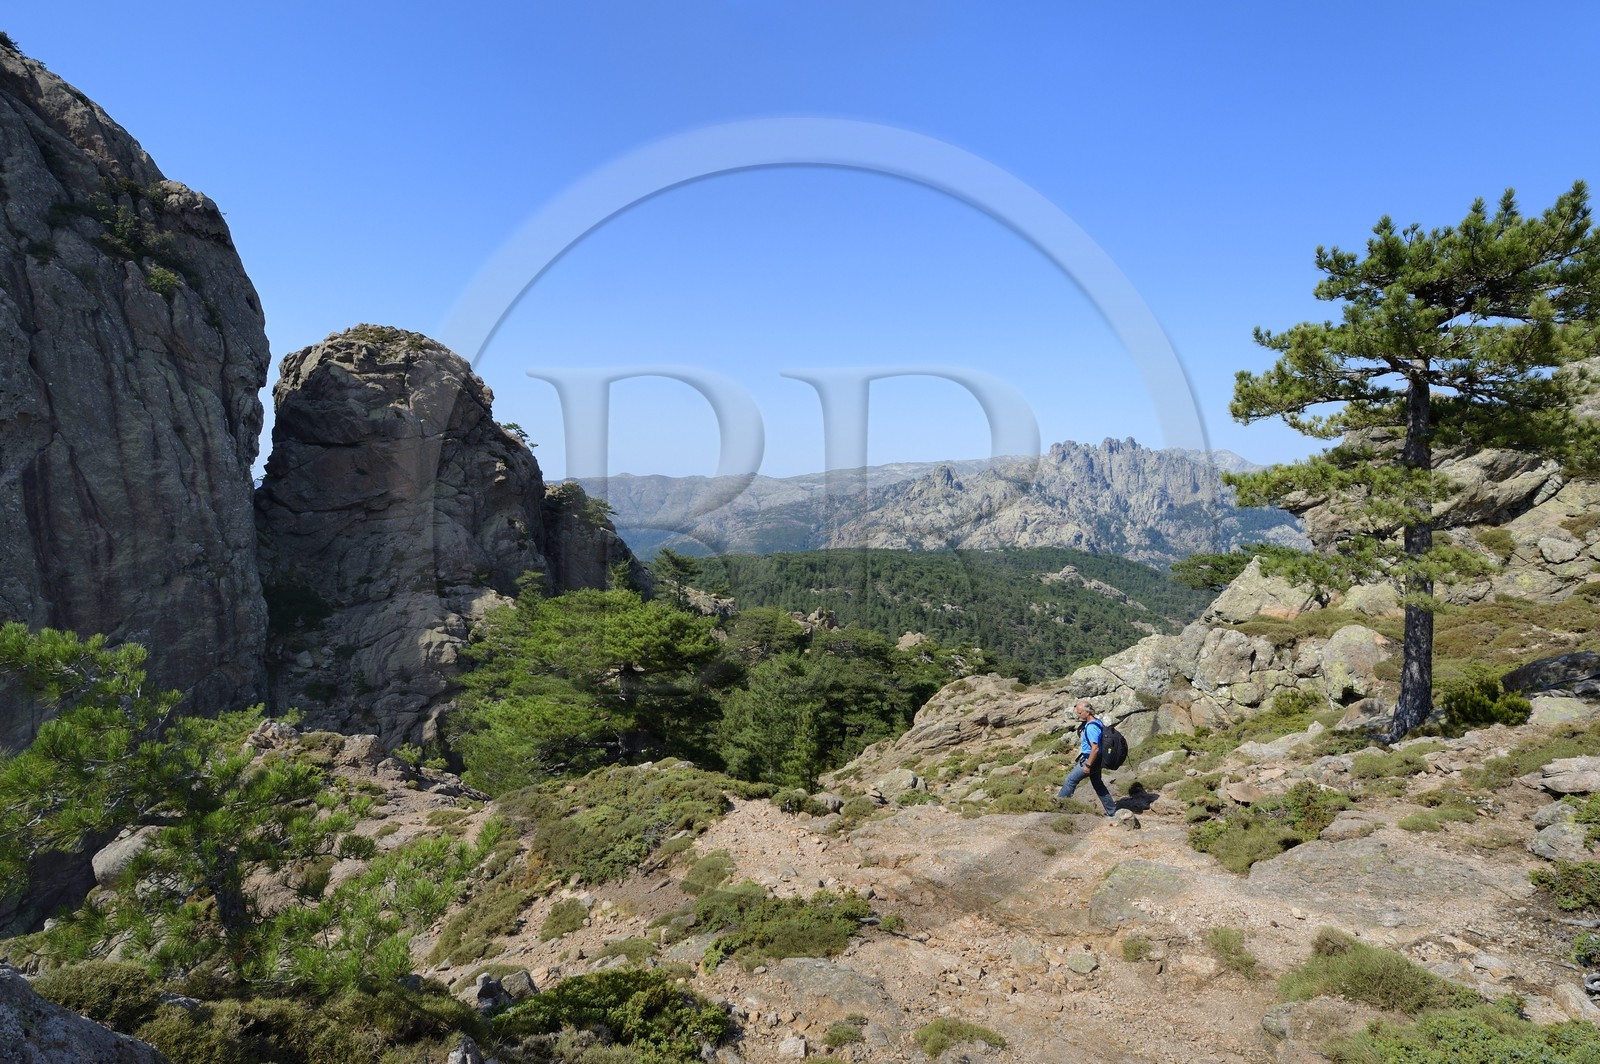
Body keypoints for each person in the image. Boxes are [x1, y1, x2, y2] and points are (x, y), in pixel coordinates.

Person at [1057, 699, 1117, 818]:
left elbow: (1095, 748)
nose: (1078, 715)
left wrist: (1088, 765)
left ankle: (1059, 807)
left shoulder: (1091, 727)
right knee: (1098, 785)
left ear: (1087, 712)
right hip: (1097, 760)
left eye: (1080, 713)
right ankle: (1112, 811)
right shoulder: (1097, 722)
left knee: (1070, 781)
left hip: (1090, 760)